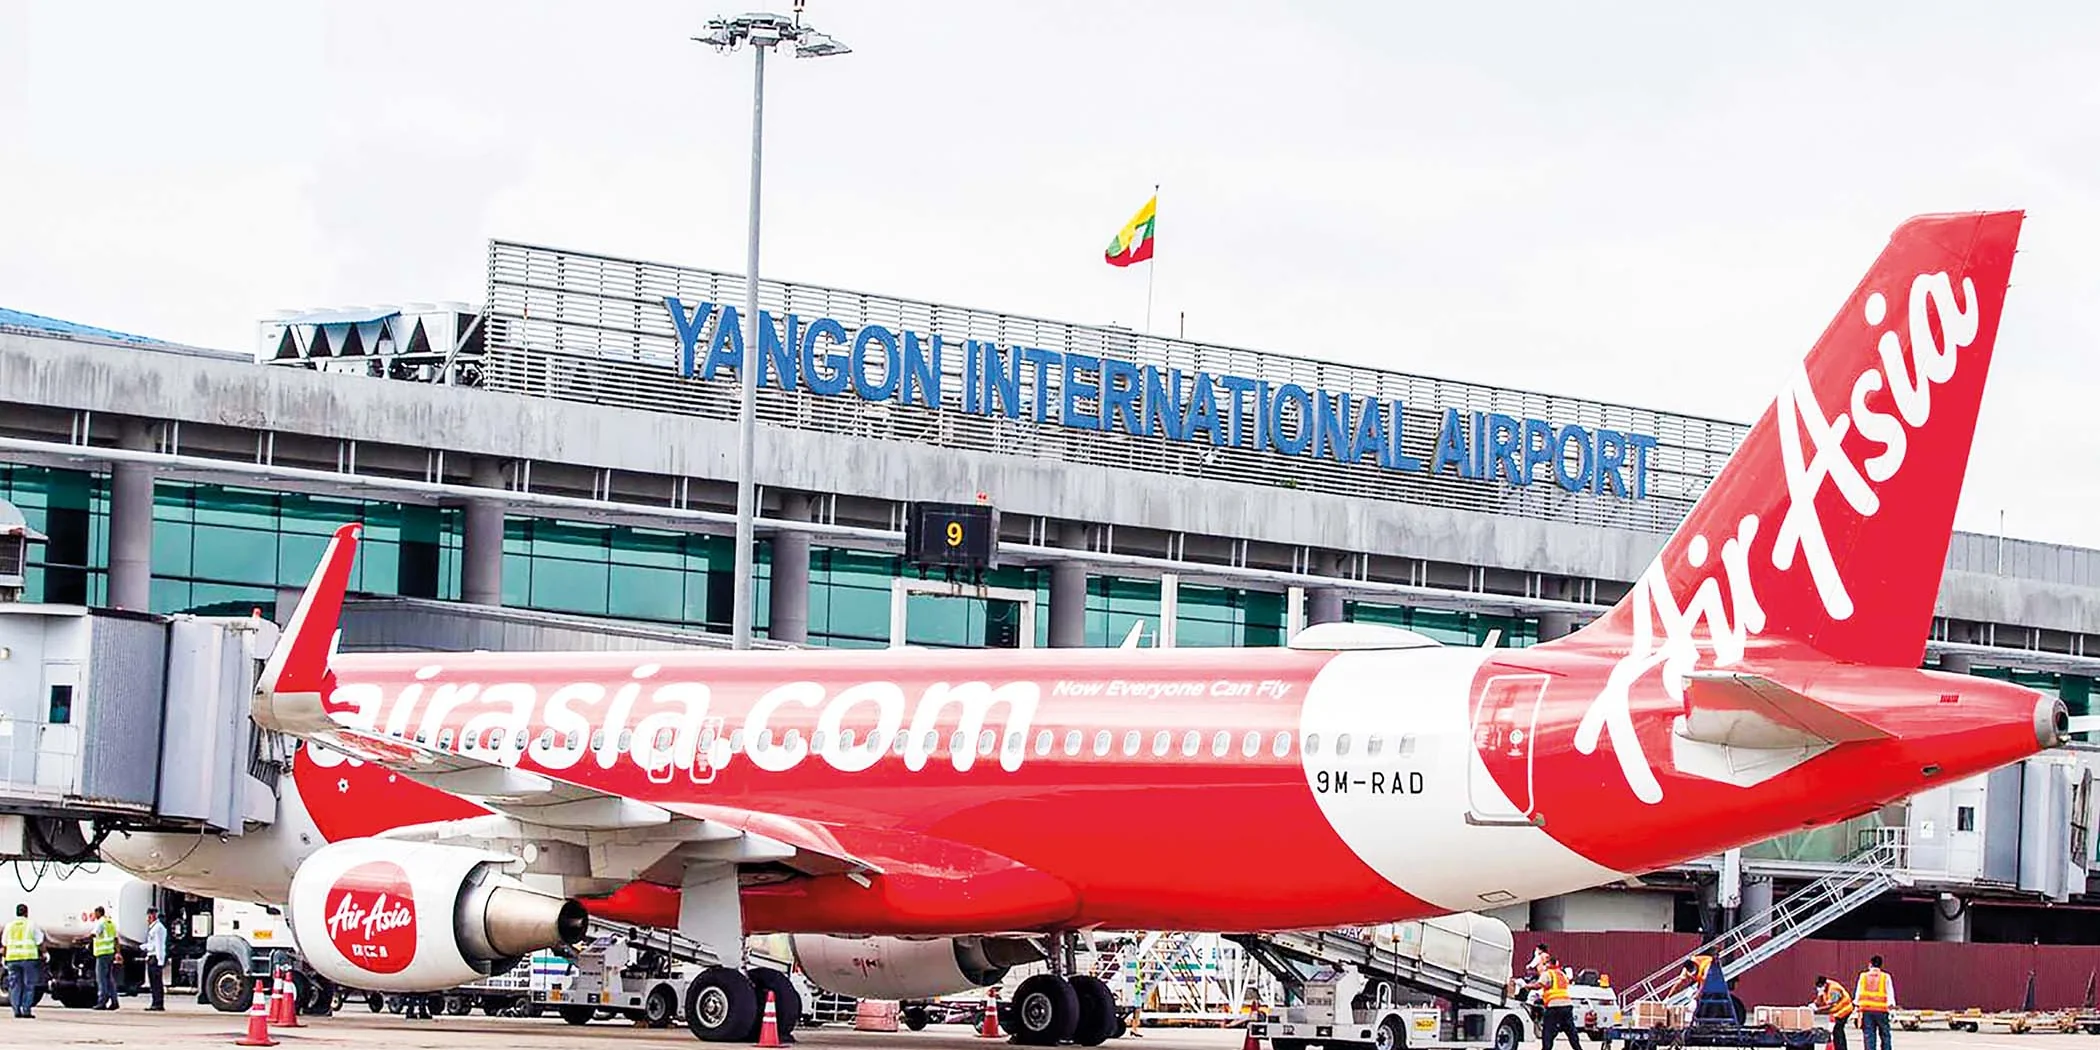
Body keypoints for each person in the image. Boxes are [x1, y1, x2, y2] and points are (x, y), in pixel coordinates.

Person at [1526, 952, 1582, 1050]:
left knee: (1548, 1031)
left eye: (1545, 964)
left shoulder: (1548, 973)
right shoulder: (1562, 974)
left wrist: (1526, 986)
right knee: (1571, 1032)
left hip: (1554, 1006)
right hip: (1567, 1006)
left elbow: (1539, 985)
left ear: (1548, 964)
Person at [5, 903, 43, 1019]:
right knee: (29, 985)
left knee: (15, 985)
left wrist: (4, 957)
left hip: (12, 959)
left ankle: (16, 1010)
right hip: (28, 958)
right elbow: (39, 941)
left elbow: (4, 943)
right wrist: (45, 953)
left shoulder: (9, 926)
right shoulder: (31, 925)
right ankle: (26, 1010)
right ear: (26, 912)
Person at [1854, 956, 1894, 1050]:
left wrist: (1856, 1006)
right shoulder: (1885, 976)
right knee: (1885, 1034)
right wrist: (1891, 1009)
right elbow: (1890, 993)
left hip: (1866, 1010)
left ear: (1870, 964)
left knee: (1869, 1034)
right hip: (1881, 1010)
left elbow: (1858, 992)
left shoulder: (1863, 976)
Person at [1813, 974, 1854, 1050]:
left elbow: (1831, 1005)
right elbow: (1819, 1002)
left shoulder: (1834, 989)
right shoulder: (1824, 988)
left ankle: (1841, 1048)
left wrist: (1818, 1010)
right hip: (1837, 1011)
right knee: (1837, 1031)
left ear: (1825, 984)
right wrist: (1816, 999)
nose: (1819, 988)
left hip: (1844, 1010)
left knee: (1837, 1030)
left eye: (1820, 986)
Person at [90, 906, 119, 1010]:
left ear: (99, 913)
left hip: (102, 954)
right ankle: (114, 1001)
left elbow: (93, 935)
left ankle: (102, 1001)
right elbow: (116, 939)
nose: (94, 915)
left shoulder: (100, 923)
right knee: (109, 979)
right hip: (110, 953)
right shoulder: (110, 923)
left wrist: (80, 940)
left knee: (101, 979)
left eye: (95, 913)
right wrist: (118, 953)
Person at [142, 908, 168, 1011]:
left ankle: (158, 1003)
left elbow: (159, 945)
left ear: (153, 916)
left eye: (149, 916)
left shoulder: (158, 928)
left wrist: (160, 960)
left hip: (155, 958)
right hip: (151, 956)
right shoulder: (154, 927)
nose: (147, 918)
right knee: (153, 982)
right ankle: (155, 1002)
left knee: (156, 982)